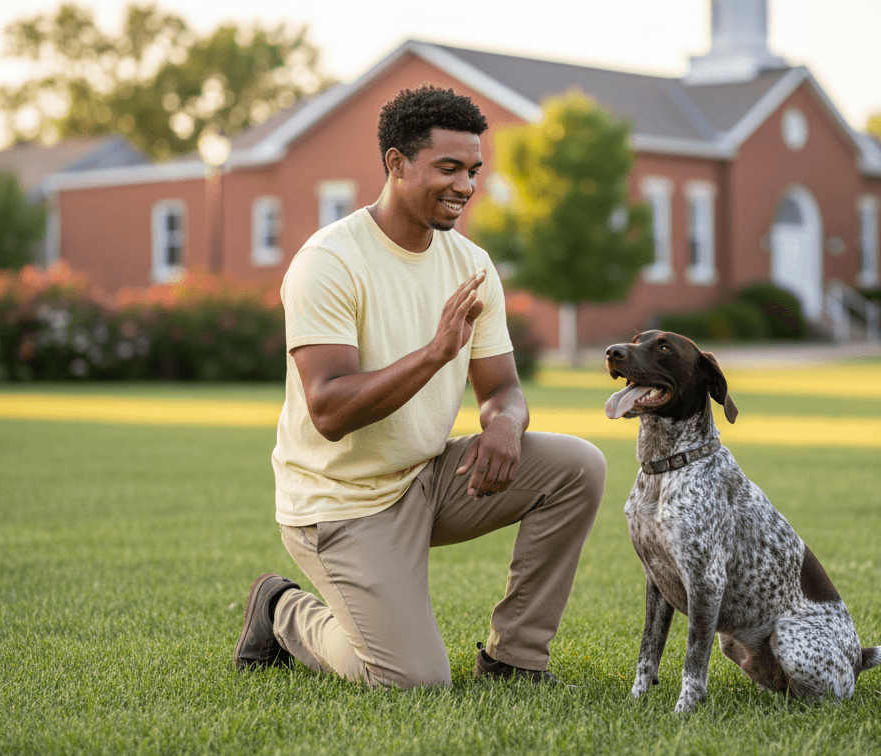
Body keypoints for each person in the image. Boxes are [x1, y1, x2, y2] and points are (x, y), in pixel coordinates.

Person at [233, 85, 607, 688]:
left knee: (578, 465)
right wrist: (434, 355)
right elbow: (329, 409)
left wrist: (505, 425)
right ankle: (282, 610)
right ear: (397, 163)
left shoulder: (472, 265)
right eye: (449, 168)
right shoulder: (329, 261)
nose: (466, 185)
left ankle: (514, 659)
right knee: (413, 681)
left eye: (473, 171)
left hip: (428, 478)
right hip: (341, 502)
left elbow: (502, 388)